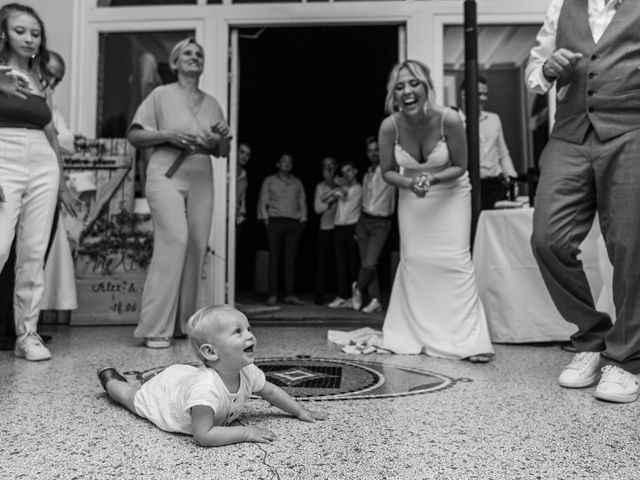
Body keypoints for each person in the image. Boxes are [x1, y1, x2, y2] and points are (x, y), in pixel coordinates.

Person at [526, 0, 640, 403]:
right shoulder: (561, 6)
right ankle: (591, 338)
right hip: (570, 133)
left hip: (631, 131)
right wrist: (546, 68)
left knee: (631, 247)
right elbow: (534, 74)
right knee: (548, 240)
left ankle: (626, 360)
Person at [377, 60, 494, 362]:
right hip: (411, 195)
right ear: (394, 93)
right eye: (400, 86)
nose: (407, 91)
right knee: (415, 260)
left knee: (454, 261)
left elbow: (460, 165)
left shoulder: (450, 119)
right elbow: (388, 170)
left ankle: (469, 341)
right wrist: (410, 182)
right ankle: (417, 334)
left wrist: (433, 178)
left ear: (427, 85)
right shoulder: (390, 126)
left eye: (414, 83)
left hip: (451, 192)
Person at [127, 37, 231, 349]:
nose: (194, 57)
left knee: (197, 247)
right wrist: (168, 134)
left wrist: (223, 137)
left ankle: (189, 326)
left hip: (201, 176)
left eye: (199, 54)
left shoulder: (212, 102)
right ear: (174, 62)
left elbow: (222, 151)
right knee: (175, 239)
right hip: (165, 173)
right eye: (187, 53)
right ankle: (155, 327)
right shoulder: (160, 95)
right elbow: (135, 135)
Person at [97, 305, 325, 447]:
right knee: (131, 397)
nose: (250, 336)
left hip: (181, 379)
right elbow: (203, 436)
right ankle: (111, 379)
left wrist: (298, 410)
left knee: (164, 382)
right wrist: (244, 433)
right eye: (238, 331)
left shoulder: (246, 370)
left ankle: (143, 380)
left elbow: (271, 391)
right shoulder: (205, 390)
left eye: (249, 329)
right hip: (166, 398)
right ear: (211, 352)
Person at [0, 3, 81, 361]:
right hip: (5, 154)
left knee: (33, 254)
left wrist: (62, 183)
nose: (30, 38)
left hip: (43, 162)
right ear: (3, 33)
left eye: (35, 32)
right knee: (0, 247)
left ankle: (27, 335)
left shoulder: (39, 79)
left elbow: (50, 135)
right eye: (20, 30)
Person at [459, 76, 518, 209]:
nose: (484, 98)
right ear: (464, 95)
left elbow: (503, 154)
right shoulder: (455, 122)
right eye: (479, 94)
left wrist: (513, 180)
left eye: (485, 94)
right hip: (470, 186)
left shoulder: (494, 119)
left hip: (496, 185)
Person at [352, 136, 396, 314]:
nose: (373, 153)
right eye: (370, 150)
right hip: (364, 221)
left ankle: (357, 286)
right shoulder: (367, 174)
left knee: (370, 263)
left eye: (376, 149)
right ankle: (375, 298)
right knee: (366, 263)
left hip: (381, 222)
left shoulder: (390, 169)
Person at [257, 153, 307, 306]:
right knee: (274, 259)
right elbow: (263, 200)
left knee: (290, 260)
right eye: (284, 161)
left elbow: (302, 201)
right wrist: (266, 219)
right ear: (278, 164)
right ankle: (273, 294)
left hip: (293, 223)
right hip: (275, 221)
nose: (287, 163)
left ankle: (290, 294)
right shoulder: (270, 180)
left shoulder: (297, 182)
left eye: (290, 161)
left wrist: (303, 220)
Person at [327, 161, 362, 309]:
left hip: (351, 228)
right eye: (344, 172)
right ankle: (342, 296)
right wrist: (333, 190)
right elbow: (324, 200)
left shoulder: (358, 188)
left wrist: (336, 184)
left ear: (355, 171)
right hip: (339, 228)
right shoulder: (341, 189)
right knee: (341, 265)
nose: (346, 174)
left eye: (349, 171)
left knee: (353, 264)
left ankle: (355, 296)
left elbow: (346, 193)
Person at [313, 156, 339, 305]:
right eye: (325, 166)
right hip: (326, 227)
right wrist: (329, 202)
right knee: (323, 263)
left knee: (341, 264)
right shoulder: (320, 186)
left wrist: (333, 189)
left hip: (341, 227)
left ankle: (342, 296)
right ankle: (320, 296)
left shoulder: (342, 184)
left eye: (331, 165)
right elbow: (317, 208)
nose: (329, 168)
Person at [235, 142, 251, 291]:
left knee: (234, 254)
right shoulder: (225, 170)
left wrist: (243, 214)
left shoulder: (244, 174)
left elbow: (243, 197)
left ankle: (231, 291)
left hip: (237, 218)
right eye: (242, 152)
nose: (244, 156)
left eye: (247, 154)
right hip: (223, 216)